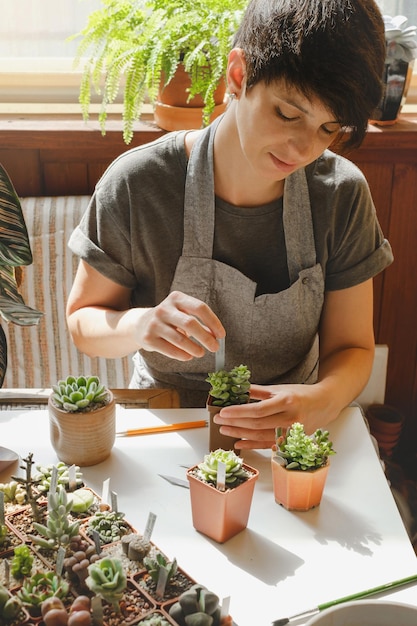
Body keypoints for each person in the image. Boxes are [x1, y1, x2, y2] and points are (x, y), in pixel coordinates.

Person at [66, 0, 393, 450]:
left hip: (285, 435)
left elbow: (352, 348)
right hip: (163, 424)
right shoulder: (137, 184)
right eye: (288, 114)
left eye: (328, 129)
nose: (302, 148)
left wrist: (321, 399)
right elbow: (83, 323)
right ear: (238, 75)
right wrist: (140, 325)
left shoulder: (341, 194)